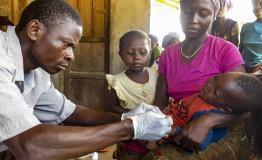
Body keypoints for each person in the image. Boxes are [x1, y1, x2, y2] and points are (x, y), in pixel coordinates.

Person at [0, 0, 173, 160]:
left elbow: (69, 112)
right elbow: (30, 146)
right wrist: (131, 127)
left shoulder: (37, 72)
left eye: (73, 48)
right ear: (35, 30)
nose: (71, 56)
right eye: (67, 44)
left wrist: (124, 118)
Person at [142, 0, 250, 159]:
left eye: (203, 13)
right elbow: (160, 103)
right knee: (130, 150)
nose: (193, 19)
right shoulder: (167, 55)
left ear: (213, 15)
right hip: (180, 120)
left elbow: (247, 108)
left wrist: (208, 121)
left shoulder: (226, 51)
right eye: (187, 11)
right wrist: (151, 124)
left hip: (222, 129)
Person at [106, 30, 159, 159]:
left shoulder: (156, 75)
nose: (137, 57)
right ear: (121, 55)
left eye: (143, 52)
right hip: (131, 130)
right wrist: (132, 113)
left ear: (150, 53)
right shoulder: (117, 81)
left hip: (154, 129)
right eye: (130, 53)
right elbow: (112, 106)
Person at [239, 0, 262, 75]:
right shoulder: (246, 27)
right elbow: (240, 50)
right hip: (243, 69)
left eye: (260, 4)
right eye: (254, 5)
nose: (257, 7)